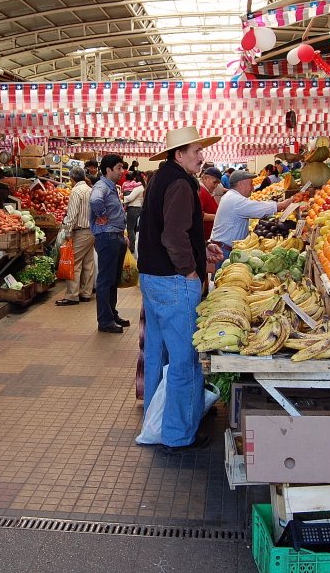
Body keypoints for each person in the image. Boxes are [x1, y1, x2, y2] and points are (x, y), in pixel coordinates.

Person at [137, 127, 221, 453]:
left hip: (153, 279)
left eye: (201, 150)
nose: (201, 156)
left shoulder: (160, 178)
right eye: (196, 151)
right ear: (179, 154)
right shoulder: (181, 185)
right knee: (185, 361)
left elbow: (171, 229)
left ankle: (154, 423)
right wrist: (189, 270)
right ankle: (177, 435)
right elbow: (173, 236)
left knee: (158, 356)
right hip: (174, 282)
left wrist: (203, 248)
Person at [211, 170, 293, 260]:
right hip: (224, 251)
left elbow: (254, 205)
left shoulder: (231, 196)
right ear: (241, 183)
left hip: (224, 247)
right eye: (251, 184)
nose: (253, 188)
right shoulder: (235, 200)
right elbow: (259, 208)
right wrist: (282, 205)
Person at [89, 154, 128, 334]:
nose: (122, 171)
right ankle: (105, 321)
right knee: (106, 280)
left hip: (115, 236)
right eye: (119, 168)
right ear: (108, 170)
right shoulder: (101, 186)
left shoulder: (111, 187)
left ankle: (112, 314)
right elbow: (95, 200)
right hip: (107, 237)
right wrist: (102, 214)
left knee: (113, 280)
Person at [55, 165, 97, 306]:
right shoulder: (91, 190)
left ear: (72, 179)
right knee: (88, 263)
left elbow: (72, 215)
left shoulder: (76, 191)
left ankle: (72, 295)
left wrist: (67, 231)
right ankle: (85, 293)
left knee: (75, 263)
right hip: (91, 230)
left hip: (80, 231)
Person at [123, 172, 145, 254]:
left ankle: (131, 247)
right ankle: (133, 247)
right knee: (134, 229)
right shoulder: (143, 187)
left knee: (130, 228)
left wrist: (122, 197)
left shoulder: (138, 188)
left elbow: (130, 198)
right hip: (138, 208)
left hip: (133, 208)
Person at [198, 167, 220, 241]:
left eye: (218, 183)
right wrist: (217, 217)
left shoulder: (207, 191)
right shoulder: (201, 191)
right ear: (205, 178)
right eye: (215, 182)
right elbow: (198, 214)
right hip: (204, 237)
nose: (216, 185)